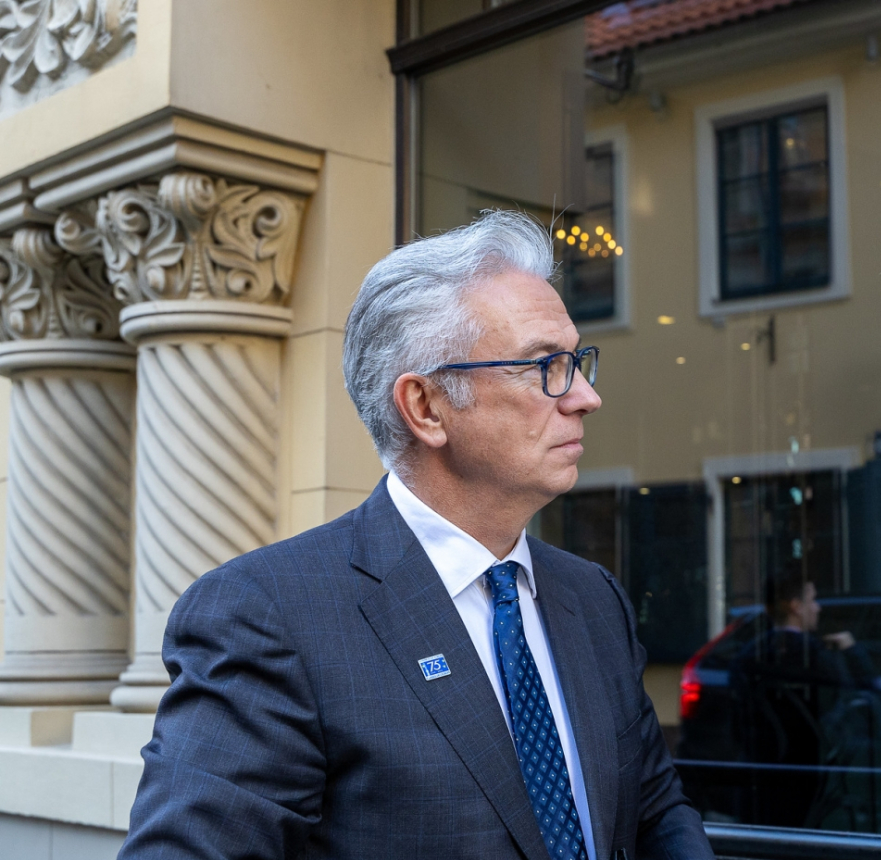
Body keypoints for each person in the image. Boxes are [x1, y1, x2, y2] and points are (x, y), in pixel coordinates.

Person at [119, 211, 714, 860]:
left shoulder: (592, 599)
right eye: (545, 366)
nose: (583, 397)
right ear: (426, 407)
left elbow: (657, 814)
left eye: (578, 362)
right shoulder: (269, 616)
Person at [730, 570, 873, 827]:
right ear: (796, 606)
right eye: (812, 599)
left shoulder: (749, 655)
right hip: (804, 776)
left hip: (759, 776)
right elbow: (863, 691)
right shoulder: (815, 657)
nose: (817, 608)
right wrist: (851, 649)